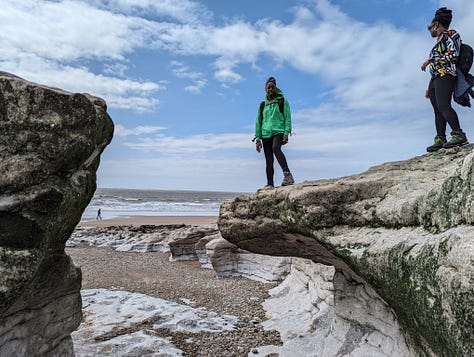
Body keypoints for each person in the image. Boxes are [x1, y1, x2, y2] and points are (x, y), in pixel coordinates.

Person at [421, 7, 468, 152]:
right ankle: (440, 138)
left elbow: (454, 55)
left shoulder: (452, 35)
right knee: (437, 109)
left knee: (443, 106)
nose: (430, 31)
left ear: (436, 24)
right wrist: (430, 87)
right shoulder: (437, 43)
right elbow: (435, 66)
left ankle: (459, 134)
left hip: (446, 74)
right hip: (436, 78)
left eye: (431, 27)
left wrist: (431, 59)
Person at [255, 77, 294, 189]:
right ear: (265, 89)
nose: (270, 89)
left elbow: (288, 118)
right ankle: (270, 184)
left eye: (273, 87)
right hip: (265, 134)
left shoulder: (283, 102)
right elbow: (258, 122)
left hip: (279, 131)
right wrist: (258, 139)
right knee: (269, 160)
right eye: (268, 87)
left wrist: (286, 133)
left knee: (276, 148)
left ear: (276, 88)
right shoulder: (262, 105)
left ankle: (288, 175)